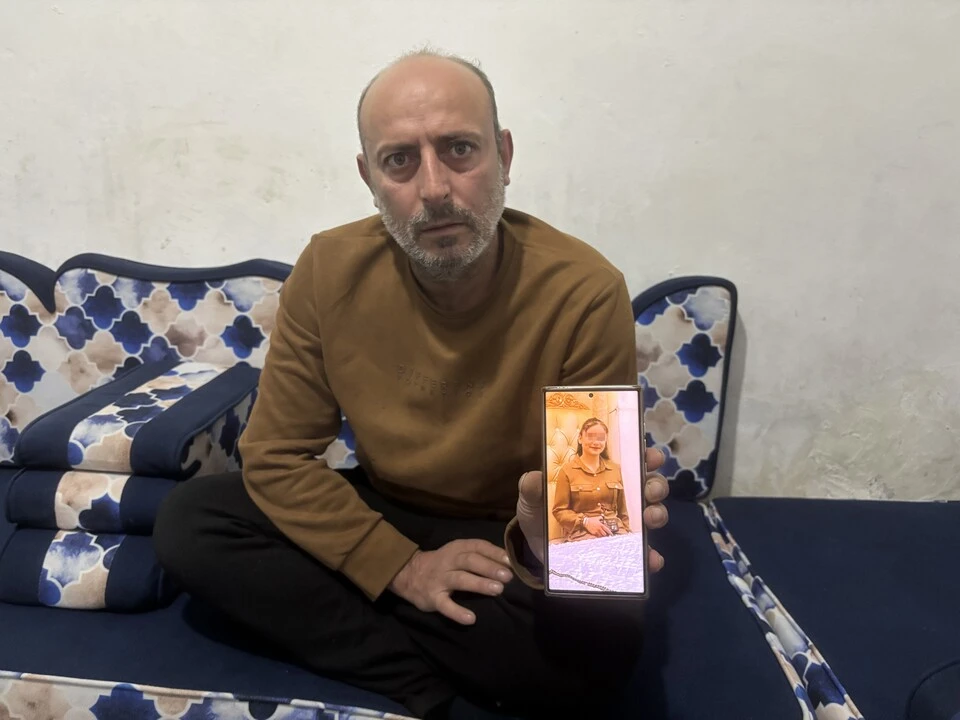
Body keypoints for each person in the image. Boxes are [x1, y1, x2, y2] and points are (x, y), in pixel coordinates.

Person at [153, 48, 670, 720]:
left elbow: (592, 544)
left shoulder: (584, 291)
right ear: (369, 178)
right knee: (192, 521)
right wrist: (401, 567)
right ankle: (425, 684)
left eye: (459, 149)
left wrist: (542, 548)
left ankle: (363, 635)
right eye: (399, 160)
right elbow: (275, 457)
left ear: (504, 156)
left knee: (601, 643)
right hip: (387, 507)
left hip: (504, 530)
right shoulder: (328, 269)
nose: (434, 188)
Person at [552, 418, 632, 542]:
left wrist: (627, 533)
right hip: (583, 534)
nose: (596, 442)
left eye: (601, 438)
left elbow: (623, 511)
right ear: (580, 438)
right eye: (590, 437)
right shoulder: (567, 471)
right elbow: (559, 511)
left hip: (616, 532)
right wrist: (585, 521)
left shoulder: (615, 469)